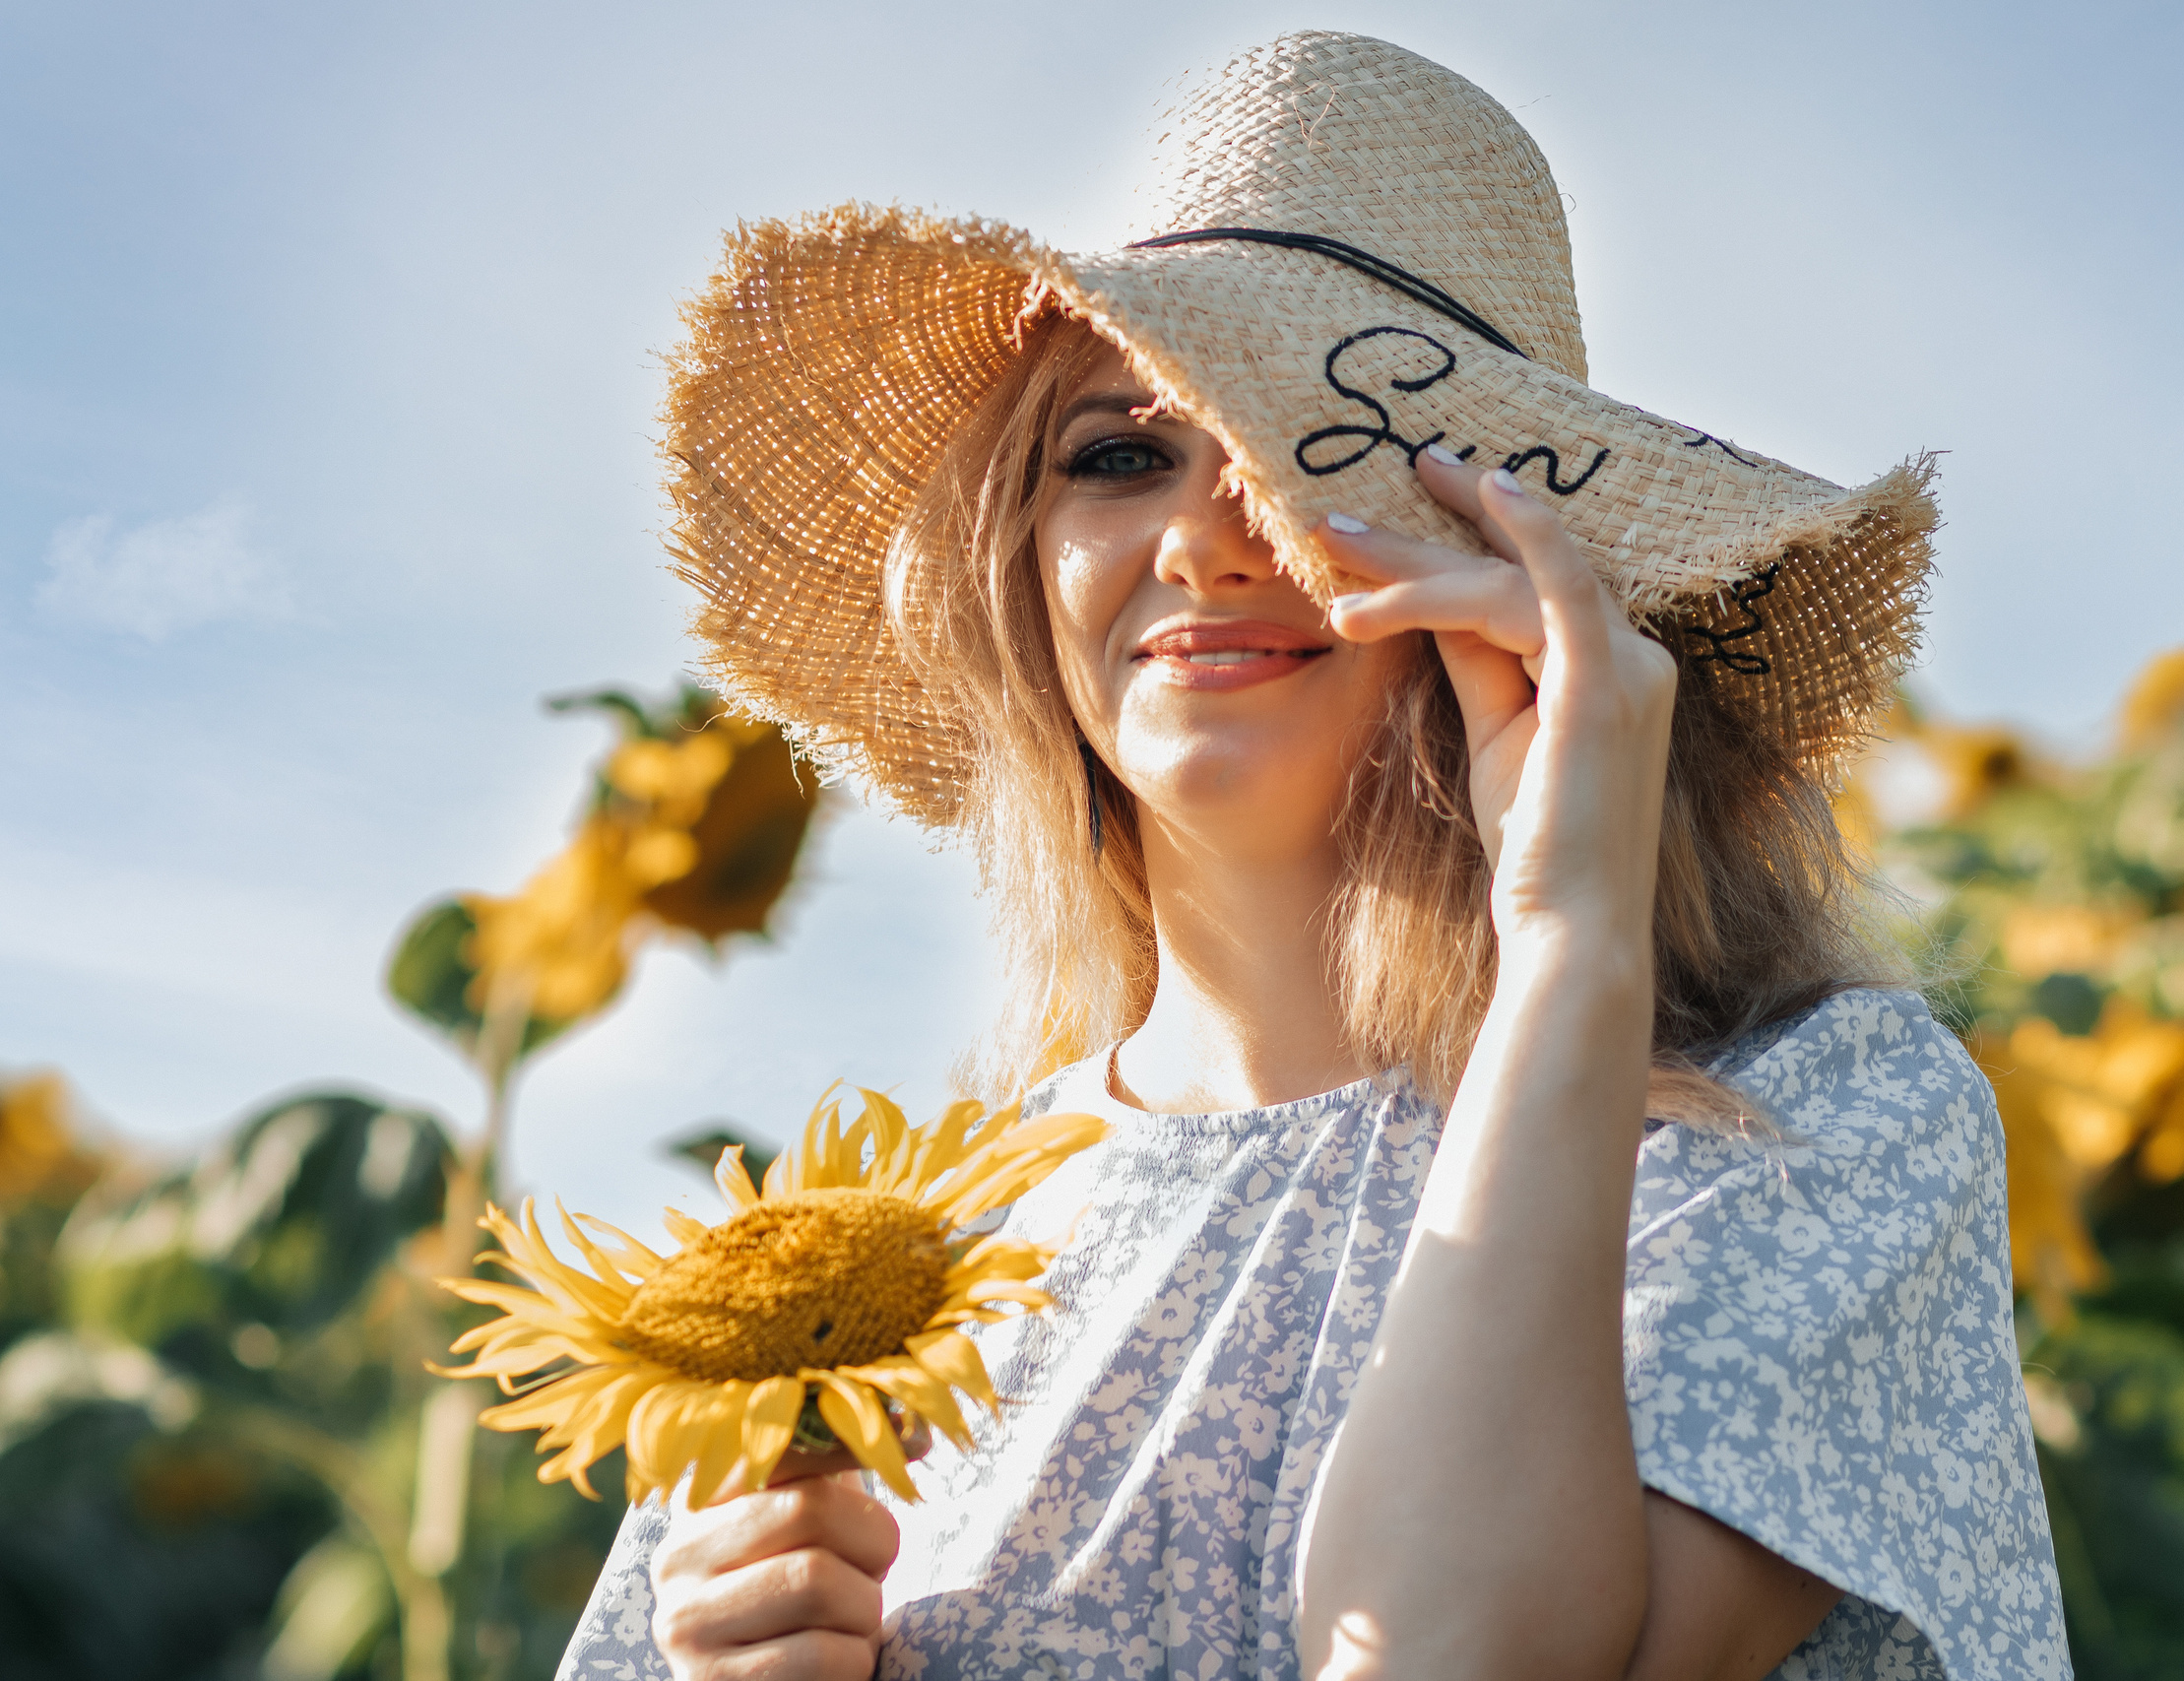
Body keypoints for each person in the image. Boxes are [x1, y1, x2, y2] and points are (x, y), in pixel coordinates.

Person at [557, 31, 2067, 1681]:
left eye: (1310, 457)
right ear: (1021, 570)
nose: (1203, 537)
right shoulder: (873, 1267)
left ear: (1520, 578)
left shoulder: (1813, 1120)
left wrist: (1569, 948)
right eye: (1119, 456)